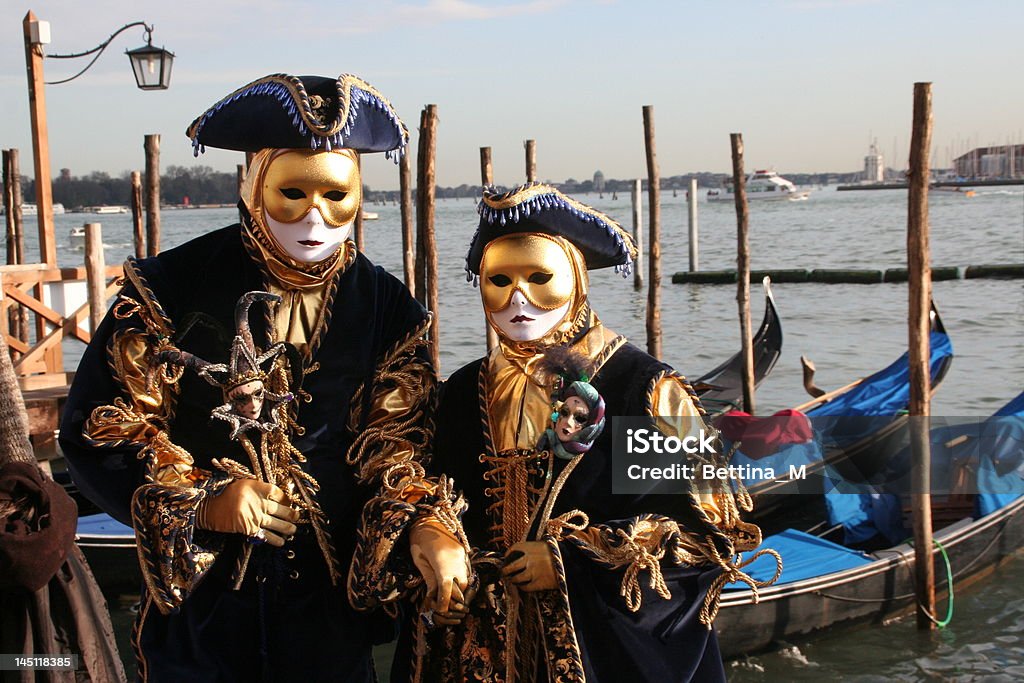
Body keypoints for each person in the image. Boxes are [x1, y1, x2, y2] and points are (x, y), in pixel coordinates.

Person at [59, 73, 469, 682]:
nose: (315, 215)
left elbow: (399, 440)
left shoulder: (386, 306)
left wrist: (424, 521)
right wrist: (201, 501)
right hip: (205, 597)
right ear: (253, 185)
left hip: (330, 605)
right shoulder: (169, 289)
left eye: (336, 194)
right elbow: (102, 424)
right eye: (292, 192)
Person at [396, 183, 775, 682]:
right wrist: (435, 552)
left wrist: (574, 563)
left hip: (596, 655)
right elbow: (424, 491)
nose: (518, 298)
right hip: (479, 652)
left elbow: (711, 537)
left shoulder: (646, 390)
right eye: (500, 279)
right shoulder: (462, 390)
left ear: (575, 280)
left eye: (539, 277)